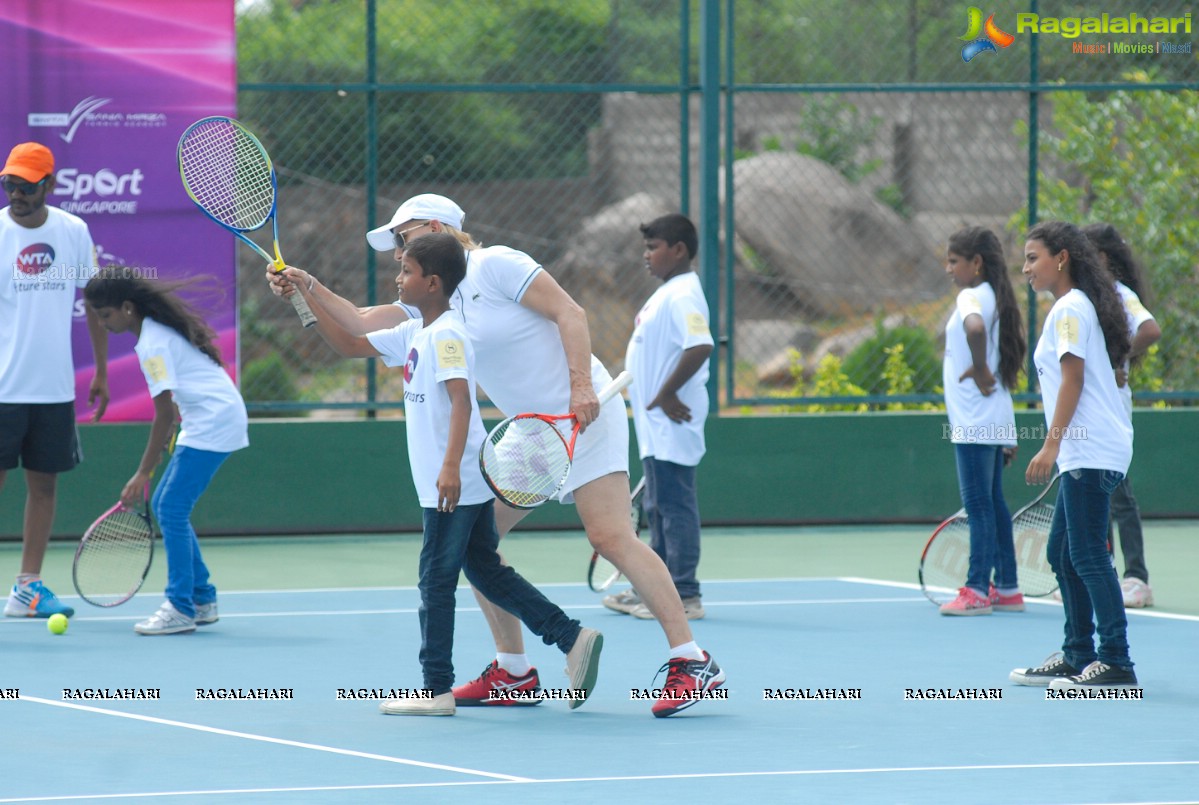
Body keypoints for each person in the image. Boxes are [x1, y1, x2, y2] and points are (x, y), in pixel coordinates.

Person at [270, 194, 724, 717]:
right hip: (529, 437)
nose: (397, 255)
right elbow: (356, 325)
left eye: (404, 239)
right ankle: (513, 671)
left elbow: (569, 313)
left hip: (585, 417)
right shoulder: (431, 305)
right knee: (477, 546)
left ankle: (691, 661)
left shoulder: (496, 264)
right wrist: (304, 288)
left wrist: (580, 388)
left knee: (610, 536)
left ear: (438, 227)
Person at [294, 232, 601, 716]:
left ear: (432, 282)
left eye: (406, 271)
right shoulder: (419, 329)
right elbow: (348, 340)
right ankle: (571, 637)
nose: (397, 277)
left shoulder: (448, 334)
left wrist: (449, 471)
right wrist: (304, 293)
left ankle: (436, 688)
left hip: (454, 480)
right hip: (451, 476)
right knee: (483, 569)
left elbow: (462, 400)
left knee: (435, 578)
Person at [1010, 221, 1138, 690]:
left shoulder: (1068, 310)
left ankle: (1116, 661)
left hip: (1091, 449)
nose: (1025, 268)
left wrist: (1051, 445)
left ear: (1061, 258)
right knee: (1062, 551)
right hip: (1086, 450)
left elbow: (1073, 380)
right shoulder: (1073, 306)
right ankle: (1078, 653)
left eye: (1032, 257)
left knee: (1085, 552)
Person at [84, 268, 247, 635]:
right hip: (207, 418)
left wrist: (142, 472)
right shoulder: (153, 335)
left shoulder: (153, 343)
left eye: (105, 314)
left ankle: (180, 606)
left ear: (127, 308)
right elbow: (171, 412)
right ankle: (202, 598)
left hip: (215, 421)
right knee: (167, 506)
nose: (102, 323)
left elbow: (162, 414)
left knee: (171, 508)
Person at [2, 142, 109, 619]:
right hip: (2, 388)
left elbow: (94, 302)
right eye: (10, 184)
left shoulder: (72, 232)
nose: (17, 193)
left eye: (27, 185)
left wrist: (103, 372)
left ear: (50, 184)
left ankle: (27, 587)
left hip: (53, 388)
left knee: (43, 486)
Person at [604, 214, 713, 622]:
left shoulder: (683, 293)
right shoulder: (668, 292)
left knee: (674, 505)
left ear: (679, 250)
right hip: (656, 425)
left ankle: (684, 594)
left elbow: (700, 345)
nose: (647, 257)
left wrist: (666, 393)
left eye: (654, 248)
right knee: (659, 505)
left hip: (673, 420)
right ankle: (656, 587)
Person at [936, 226, 1026, 616]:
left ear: (976, 263)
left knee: (978, 505)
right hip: (993, 418)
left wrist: (977, 368)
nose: (948, 268)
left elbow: (973, 329)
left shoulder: (971, 295)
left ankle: (976, 590)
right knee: (993, 502)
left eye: (954, 261)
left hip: (975, 421)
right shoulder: (996, 297)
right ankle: (1006, 588)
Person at [1082, 223, 1160, 609]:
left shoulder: (1118, 294)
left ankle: (1137, 578)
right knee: (1103, 496)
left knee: (1120, 495)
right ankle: (1108, 573)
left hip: (1112, 417)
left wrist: (1119, 356)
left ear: (1104, 259)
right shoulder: (1087, 299)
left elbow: (1150, 328)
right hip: (1095, 418)